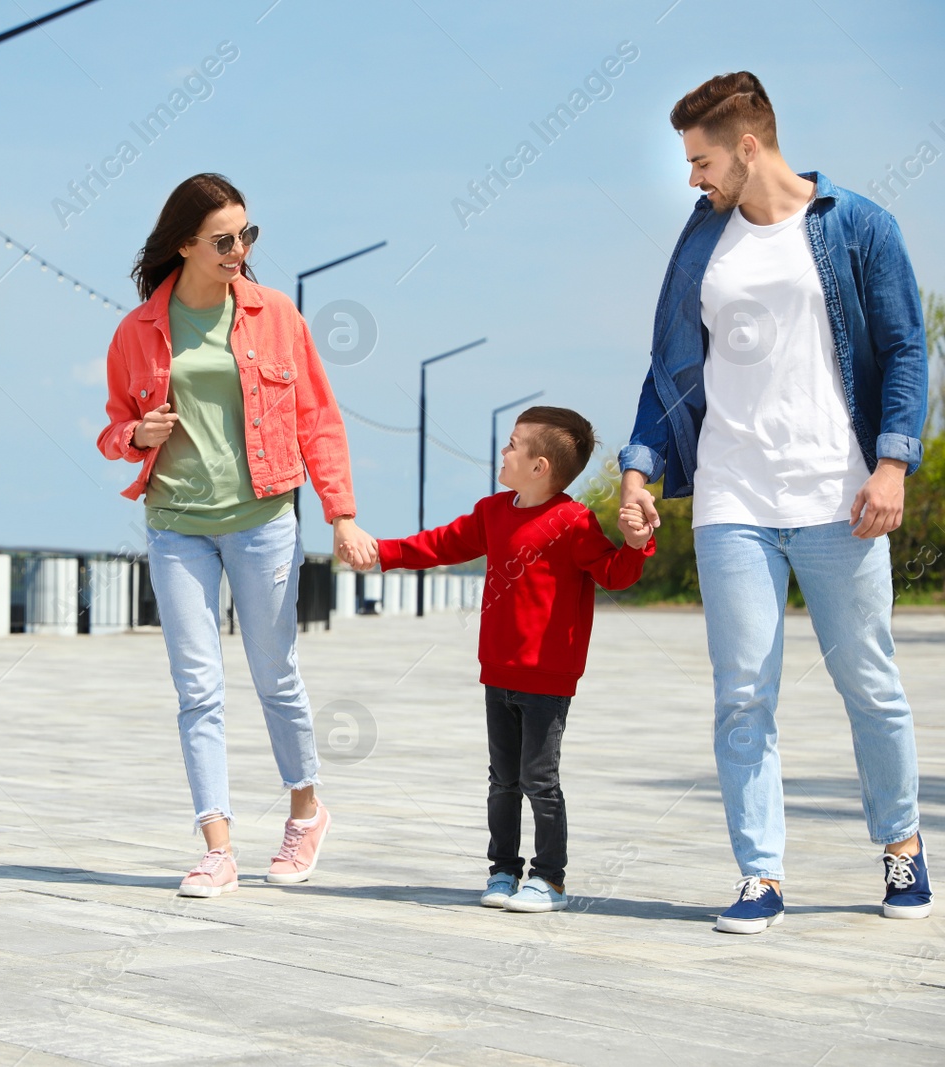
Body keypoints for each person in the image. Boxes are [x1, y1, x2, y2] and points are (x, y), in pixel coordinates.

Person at [619, 72, 931, 933]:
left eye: (702, 159)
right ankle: (761, 873)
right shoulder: (701, 245)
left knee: (868, 681)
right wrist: (641, 471)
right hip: (733, 497)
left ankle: (902, 843)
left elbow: (906, 348)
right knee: (743, 693)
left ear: (748, 146)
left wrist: (894, 463)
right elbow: (669, 370)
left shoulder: (858, 226)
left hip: (842, 495)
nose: (693, 178)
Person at [97, 173, 376, 898]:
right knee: (197, 687)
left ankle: (306, 812)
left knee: (274, 675)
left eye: (247, 236)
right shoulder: (137, 332)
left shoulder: (276, 315)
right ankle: (217, 846)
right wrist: (137, 432)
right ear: (184, 244)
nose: (239, 250)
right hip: (176, 525)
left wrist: (341, 511)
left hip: (262, 520)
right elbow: (111, 428)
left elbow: (316, 415)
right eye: (224, 240)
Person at [352, 407, 654, 911]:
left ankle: (550, 879)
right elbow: (442, 544)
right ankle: (503, 872)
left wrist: (637, 544)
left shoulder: (573, 520)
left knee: (540, 780)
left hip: (549, 677)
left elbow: (614, 574)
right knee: (503, 781)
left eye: (513, 444)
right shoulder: (493, 512)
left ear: (539, 467)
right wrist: (381, 553)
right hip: (498, 671)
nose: (503, 451)